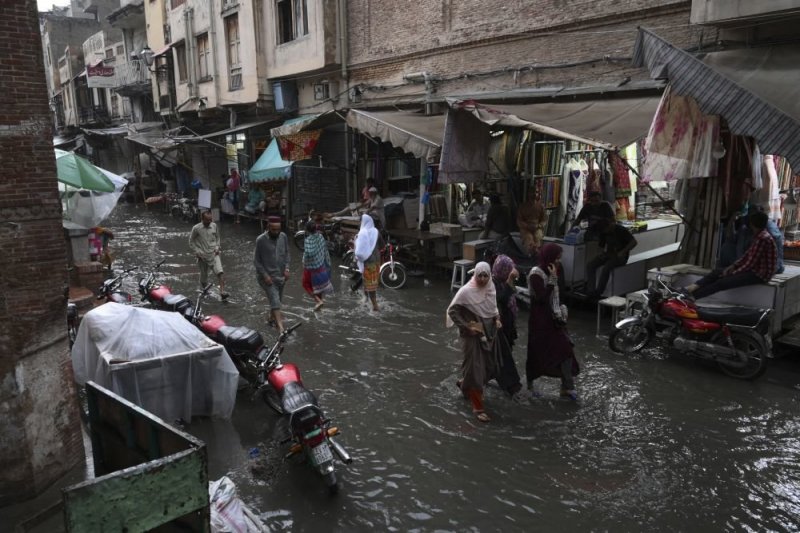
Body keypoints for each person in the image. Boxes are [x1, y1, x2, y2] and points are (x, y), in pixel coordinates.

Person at [447, 262, 502, 422]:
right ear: (475, 275)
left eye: (486, 275)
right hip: (472, 334)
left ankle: (465, 384)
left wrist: (497, 319)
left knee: (490, 367)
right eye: (480, 275)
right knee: (475, 370)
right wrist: (466, 327)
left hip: (488, 332)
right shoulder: (466, 291)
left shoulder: (491, 288)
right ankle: (478, 408)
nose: (483, 279)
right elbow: (452, 310)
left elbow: (493, 307)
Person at [526, 243, 580, 400]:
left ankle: (567, 387)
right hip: (540, 320)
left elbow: (560, 293)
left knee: (566, 349)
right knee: (536, 352)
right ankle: (530, 384)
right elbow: (541, 299)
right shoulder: (535, 274)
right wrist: (551, 280)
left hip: (555, 318)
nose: (558, 261)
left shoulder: (557, 269)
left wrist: (562, 312)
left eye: (559, 258)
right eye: (556, 257)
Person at [682, 210, 777, 300]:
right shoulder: (759, 236)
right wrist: (733, 266)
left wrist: (731, 273)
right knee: (717, 272)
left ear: (752, 224)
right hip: (754, 270)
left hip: (759, 275)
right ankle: (691, 288)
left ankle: (692, 297)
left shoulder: (762, 238)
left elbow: (750, 264)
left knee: (721, 283)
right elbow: (747, 256)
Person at [491, 255, 523, 400]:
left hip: (507, 328)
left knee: (500, 360)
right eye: (508, 269)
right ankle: (510, 388)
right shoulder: (493, 284)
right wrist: (510, 281)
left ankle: (473, 381)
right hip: (499, 329)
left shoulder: (502, 282)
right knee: (501, 359)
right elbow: (502, 300)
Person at [254, 216, 291, 332]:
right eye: (274, 229)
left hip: (280, 276)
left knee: (277, 300)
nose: (276, 232)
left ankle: (270, 319)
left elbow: (287, 253)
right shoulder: (260, 240)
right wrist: (265, 276)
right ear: (268, 227)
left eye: (278, 229)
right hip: (266, 278)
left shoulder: (283, 237)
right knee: (275, 300)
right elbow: (256, 261)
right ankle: (281, 328)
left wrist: (287, 269)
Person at [585, 219, 637, 298]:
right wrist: (600, 254)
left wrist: (623, 252)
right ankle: (591, 291)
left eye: (606, 230)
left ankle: (599, 292)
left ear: (609, 226)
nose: (605, 233)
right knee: (590, 265)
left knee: (606, 267)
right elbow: (600, 246)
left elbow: (634, 242)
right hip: (609, 254)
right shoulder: (603, 232)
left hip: (621, 256)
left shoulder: (621, 230)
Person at [189, 210, 228, 299]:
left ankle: (222, 292)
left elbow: (218, 237)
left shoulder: (214, 226)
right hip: (202, 256)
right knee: (203, 277)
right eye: (207, 220)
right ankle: (205, 291)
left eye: (210, 220)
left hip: (214, 254)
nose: (209, 222)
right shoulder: (196, 228)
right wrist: (197, 251)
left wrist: (218, 246)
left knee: (220, 272)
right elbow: (191, 242)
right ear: (202, 219)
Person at [302, 220, 333, 311]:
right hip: (322, 268)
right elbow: (325, 252)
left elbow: (307, 254)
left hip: (311, 270)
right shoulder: (321, 237)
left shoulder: (308, 240)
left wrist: (304, 263)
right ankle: (319, 309)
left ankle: (318, 301)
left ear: (307, 230)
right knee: (318, 289)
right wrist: (328, 265)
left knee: (305, 284)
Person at [354, 214, 383, 311]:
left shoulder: (362, 233)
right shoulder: (376, 232)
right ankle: (366, 299)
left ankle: (375, 306)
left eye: (360, 221)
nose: (359, 223)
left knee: (370, 283)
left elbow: (359, 251)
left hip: (368, 261)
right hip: (377, 260)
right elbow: (382, 245)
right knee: (369, 281)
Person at [517, 189, 548, 253]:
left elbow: (544, 220)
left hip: (537, 228)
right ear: (528, 194)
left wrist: (539, 225)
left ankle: (537, 257)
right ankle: (529, 256)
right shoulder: (523, 206)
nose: (534, 194)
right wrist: (527, 226)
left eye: (536, 192)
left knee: (537, 238)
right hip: (526, 229)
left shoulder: (541, 206)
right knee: (529, 240)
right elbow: (519, 220)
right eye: (532, 192)